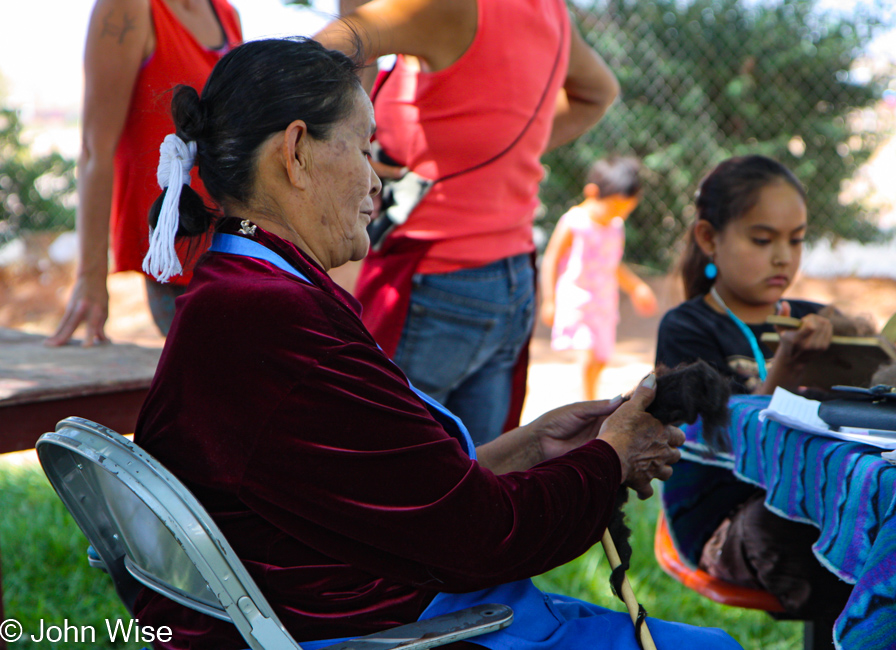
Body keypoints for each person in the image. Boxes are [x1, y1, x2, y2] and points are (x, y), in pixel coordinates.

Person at [131, 37, 741, 650]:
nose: (376, 182)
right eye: (366, 150)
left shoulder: (240, 292)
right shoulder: (270, 319)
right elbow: (482, 539)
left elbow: (401, 496)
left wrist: (534, 447)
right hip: (391, 631)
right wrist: (611, 458)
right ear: (296, 153)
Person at [314, 0, 621, 446]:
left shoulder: (443, 7)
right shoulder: (549, 9)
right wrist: (506, 150)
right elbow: (599, 91)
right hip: (510, 276)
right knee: (471, 470)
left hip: (436, 281)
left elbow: (328, 48)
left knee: (381, 457)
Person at [655, 155, 852, 619]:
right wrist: (787, 366)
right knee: (797, 531)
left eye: (797, 240)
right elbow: (729, 442)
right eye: (762, 240)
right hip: (728, 516)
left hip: (820, 498)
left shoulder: (814, 318)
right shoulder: (687, 329)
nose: (783, 256)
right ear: (709, 238)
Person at [45, 0, 242, 347]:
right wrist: (91, 279)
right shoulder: (129, 8)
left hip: (236, 246)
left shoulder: (227, 15)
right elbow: (95, 148)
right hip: (176, 247)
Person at [540, 155, 658, 401]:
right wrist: (549, 300)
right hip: (578, 301)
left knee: (601, 357)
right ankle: (587, 403)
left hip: (604, 302)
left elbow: (612, 265)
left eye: (626, 209)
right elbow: (550, 260)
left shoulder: (615, 226)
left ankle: (591, 397)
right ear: (593, 192)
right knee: (588, 352)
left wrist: (636, 287)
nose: (620, 213)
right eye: (616, 206)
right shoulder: (574, 222)